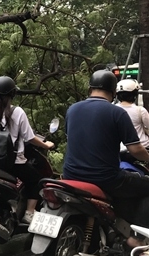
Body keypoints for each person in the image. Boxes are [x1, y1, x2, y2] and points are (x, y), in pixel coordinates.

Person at [63, 70, 149, 246]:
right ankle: (136, 239)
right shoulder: (117, 113)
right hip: (105, 178)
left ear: (90, 89)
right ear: (113, 92)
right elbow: (135, 149)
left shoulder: (72, 109)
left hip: (70, 175)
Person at [0, 76, 55, 224]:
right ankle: (29, 213)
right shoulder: (17, 112)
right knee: (36, 181)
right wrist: (47, 145)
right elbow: (30, 138)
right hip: (13, 163)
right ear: (12, 94)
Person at [115, 79, 149, 149]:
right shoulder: (140, 110)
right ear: (134, 94)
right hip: (142, 147)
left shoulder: (113, 109)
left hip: (120, 148)